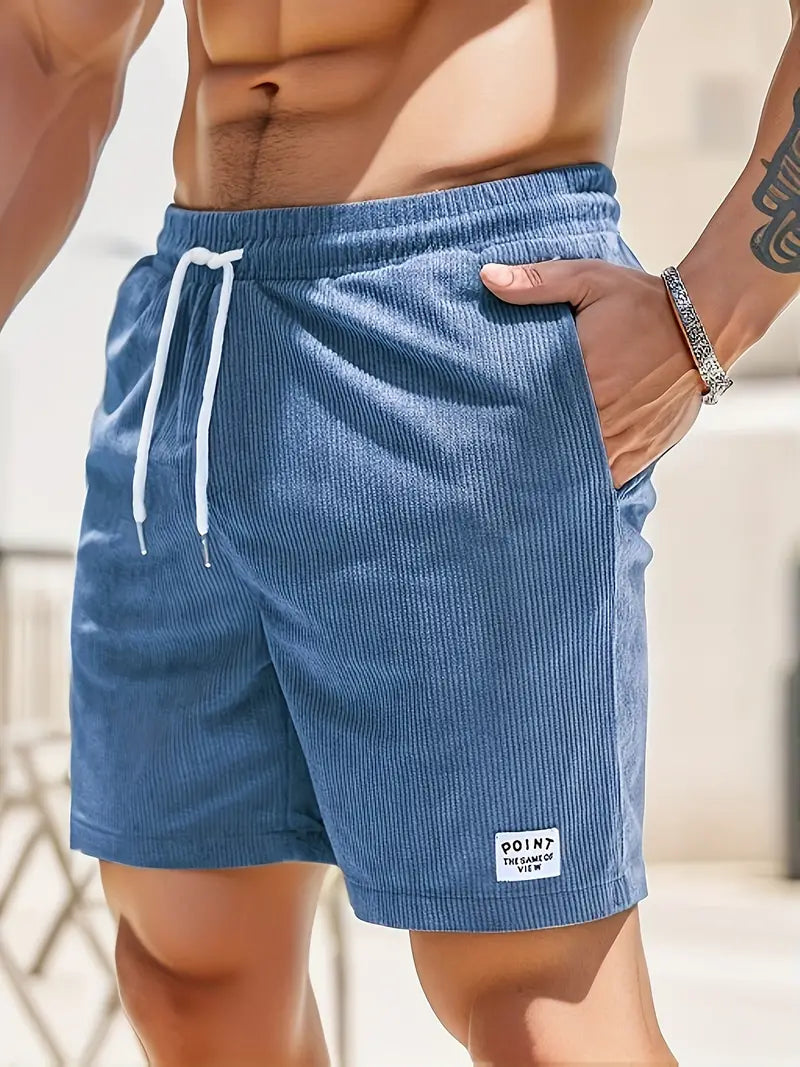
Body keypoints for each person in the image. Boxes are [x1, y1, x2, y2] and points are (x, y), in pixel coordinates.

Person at [2, 1, 798, 1063]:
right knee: (185, 974)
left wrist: (712, 311)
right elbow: (51, 48)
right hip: (195, 331)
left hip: (462, 322)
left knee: (538, 1004)